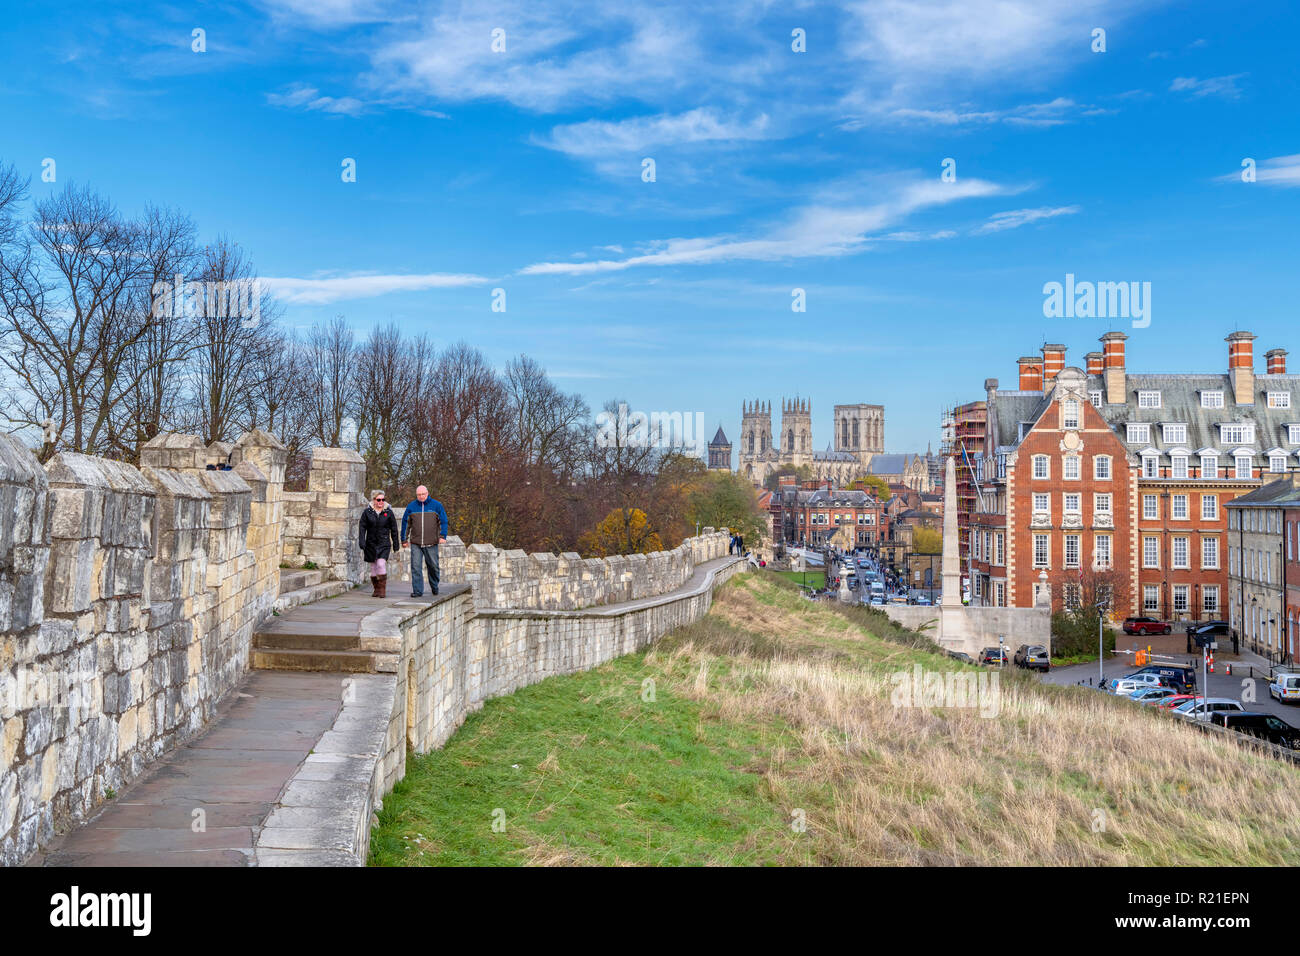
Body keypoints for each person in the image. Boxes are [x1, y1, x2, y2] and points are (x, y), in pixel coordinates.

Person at [401, 485, 449, 598]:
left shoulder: (437, 505)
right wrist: (404, 539)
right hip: (416, 543)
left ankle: (434, 586)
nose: (421, 496)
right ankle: (418, 591)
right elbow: (405, 523)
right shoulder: (411, 506)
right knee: (415, 567)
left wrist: (443, 536)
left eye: (423, 494)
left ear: (427, 493)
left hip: (431, 542)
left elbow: (444, 521)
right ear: (416, 495)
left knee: (433, 566)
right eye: (419, 495)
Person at [358, 491, 400, 598]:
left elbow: (394, 529)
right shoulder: (367, 512)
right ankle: (376, 589)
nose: (381, 502)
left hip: (384, 543)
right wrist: (362, 541)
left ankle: (382, 590)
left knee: (381, 564)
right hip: (370, 543)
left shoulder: (388, 512)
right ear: (374, 500)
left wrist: (396, 544)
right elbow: (362, 527)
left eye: (383, 499)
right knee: (373, 568)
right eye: (379, 500)